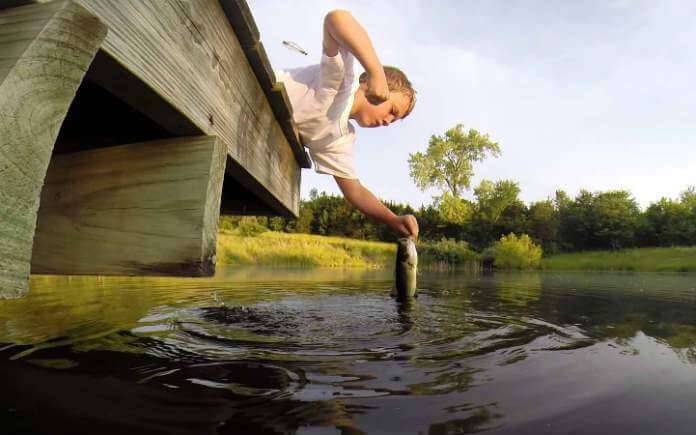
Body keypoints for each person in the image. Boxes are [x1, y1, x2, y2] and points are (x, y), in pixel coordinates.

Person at [276, 9, 419, 239]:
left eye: (395, 120)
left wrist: (393, 219)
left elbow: (355, 191)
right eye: (392, 111)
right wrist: (375, 70)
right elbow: (336, 19)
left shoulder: (340, 139)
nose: (388, 122)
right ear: (370, 83)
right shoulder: (342, 81)